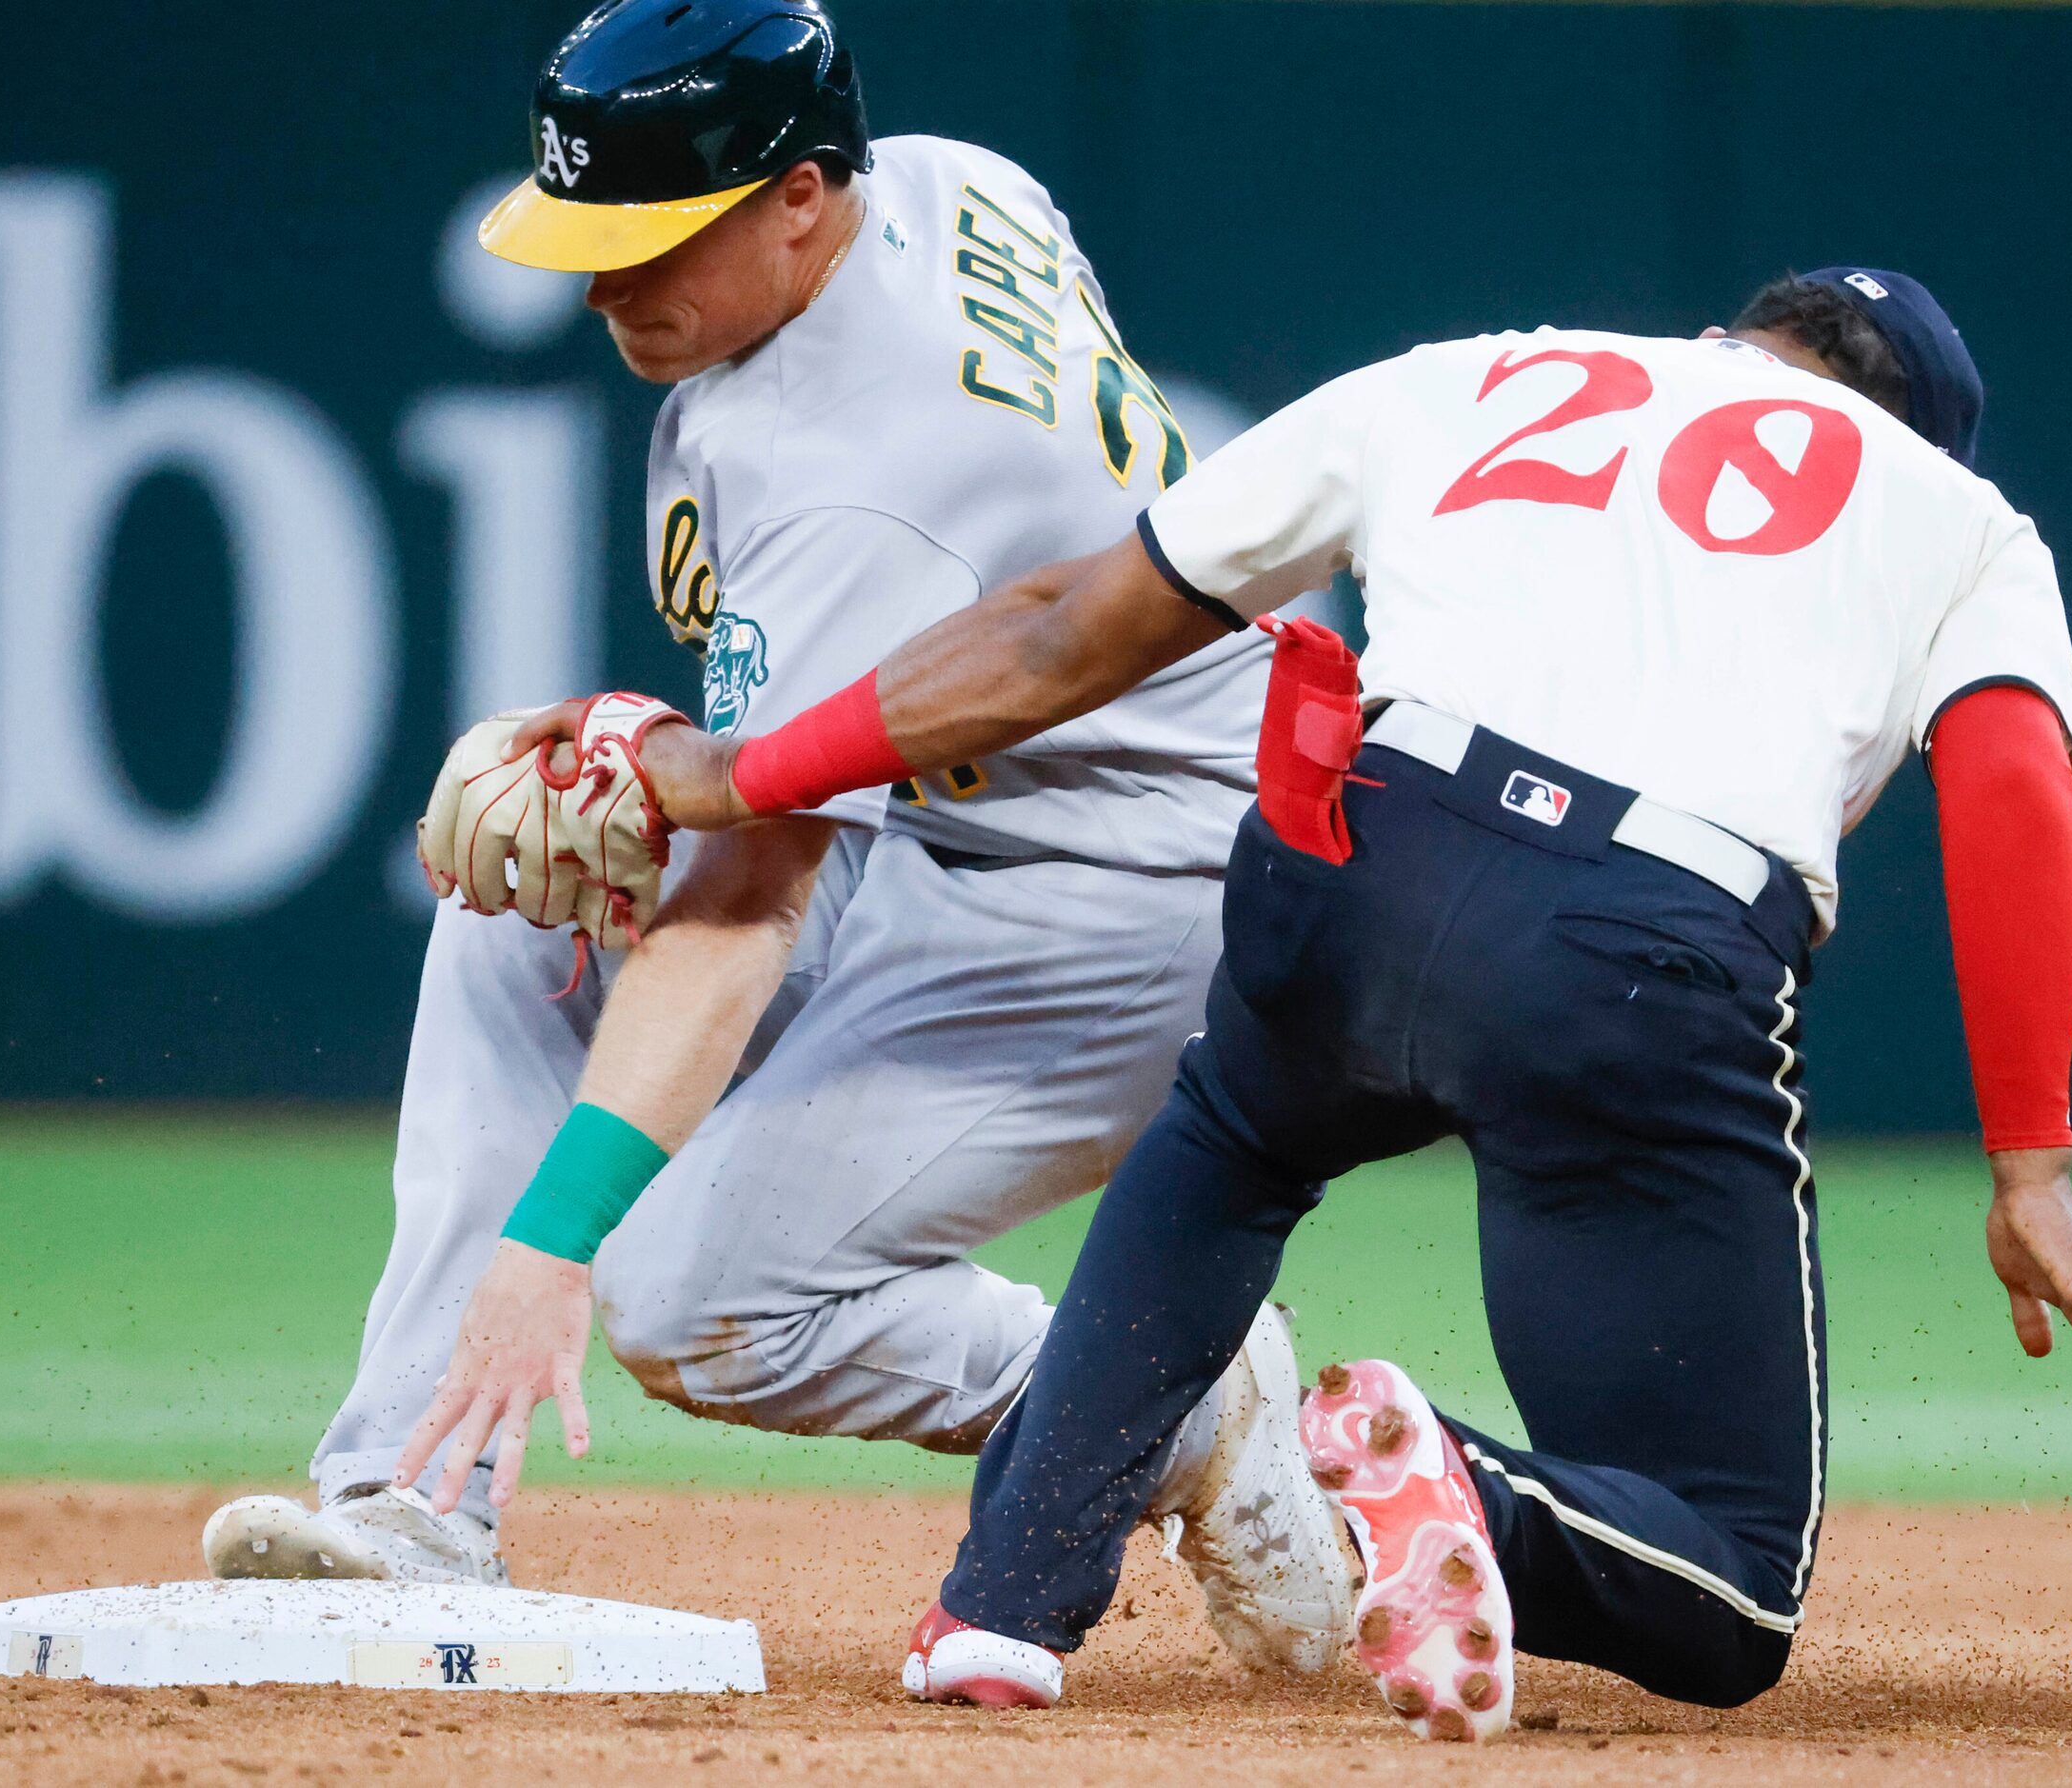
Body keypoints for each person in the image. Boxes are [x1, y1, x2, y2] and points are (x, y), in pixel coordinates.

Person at [628, 267, 2072, 1734]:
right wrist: (2029, 1163)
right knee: (1732, 1585)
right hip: (1635, 950)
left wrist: (739, 769)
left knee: (1228, 1134)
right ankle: (1448, 1483)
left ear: (1723, 341)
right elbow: (2010, 787)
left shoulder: (1473, 373)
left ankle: (1001, 1605)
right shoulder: (1957, 518)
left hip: (1358, 853)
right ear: (1920, 440)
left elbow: (1052, 637)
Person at [197, 0, 1361, 1679]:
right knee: (539, 897)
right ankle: (415, 1490)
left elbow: (750, 895)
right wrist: (666, 761)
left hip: (1144, 902)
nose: (604, 289)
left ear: (802, 195)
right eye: (585, 241)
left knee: (686, 1300)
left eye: (651, 238)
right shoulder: (951, 181)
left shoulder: (853, 472)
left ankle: (1174, 1393)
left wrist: (548, 1247)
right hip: (984, 830)